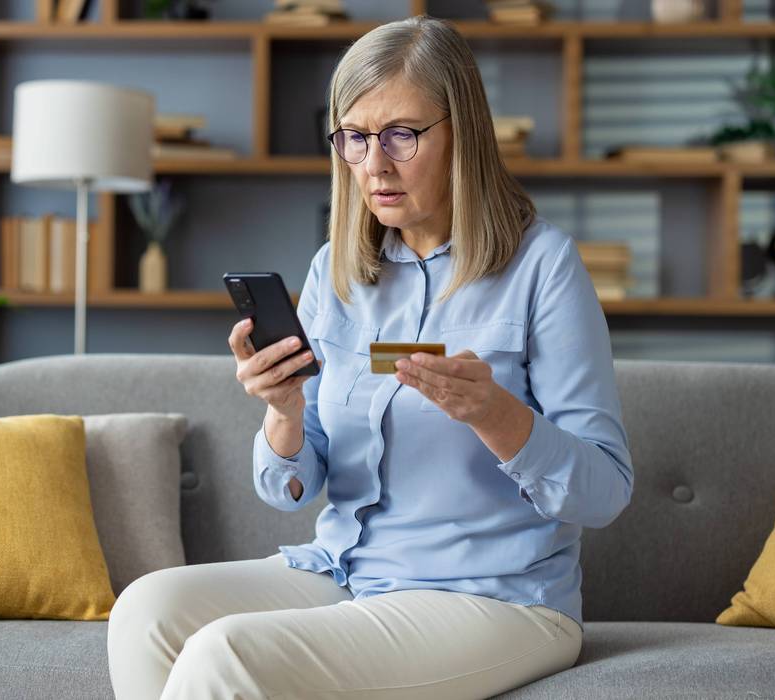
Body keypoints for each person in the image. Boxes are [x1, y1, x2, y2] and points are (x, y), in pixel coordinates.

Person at [107, 14, 634, 699]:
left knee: (225, 654)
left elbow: (605, 491)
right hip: (349, 570)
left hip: (494, 597)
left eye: (401, 134)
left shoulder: (544, 266)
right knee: (145, 610)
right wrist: (284, 411)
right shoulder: (336, 269)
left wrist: (494, 413)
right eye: (354, 137)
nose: (374, 164)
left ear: (463, 134)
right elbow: (289, 485)